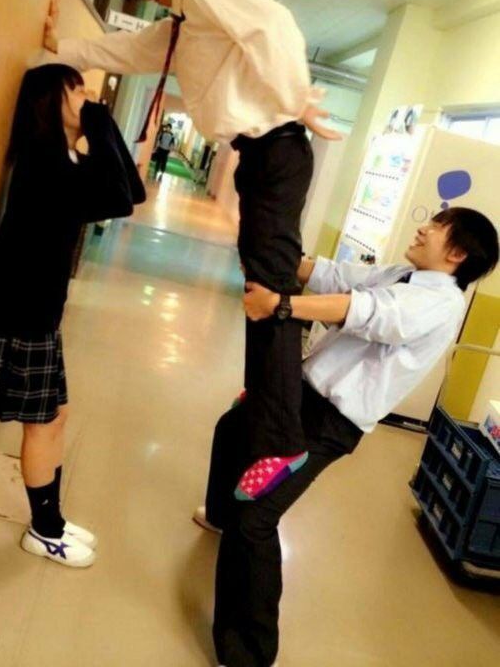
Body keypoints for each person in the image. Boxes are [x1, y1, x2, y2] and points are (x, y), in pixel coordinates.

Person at [42, 0, 343, 502]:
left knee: (271, 290)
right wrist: (65, 47)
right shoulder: (186, 23)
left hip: (277, 149)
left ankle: (282, 437)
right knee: (263, 286)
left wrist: (293, 100)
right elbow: (131, 48)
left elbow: (272, 25)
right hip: (263, 154)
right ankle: (270, 401)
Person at [194, 206, 498, 667]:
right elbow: (338, 277)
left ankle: (251, 653)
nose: (423, 227)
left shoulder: (440, 302)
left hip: (329, 421)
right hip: (298, 393)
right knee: (231, 429)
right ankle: (219, 514)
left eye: (437, 227)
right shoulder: (404, 274)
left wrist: (281, 302)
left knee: (255, 517)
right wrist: (278, 256)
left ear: (456, 252)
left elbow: (367, 312)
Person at [0, 64, 145, 568]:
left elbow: (132, 191)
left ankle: (49, 520)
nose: (88, 95)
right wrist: (99, 120)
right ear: (48, 98)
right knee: (45, 422)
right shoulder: (43, 161)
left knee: (53, 417)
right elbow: (122, 199)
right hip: (19, 308)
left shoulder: (59, 159)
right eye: (76, 89)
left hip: (32, 308)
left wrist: (97, 119)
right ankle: (45, 530)